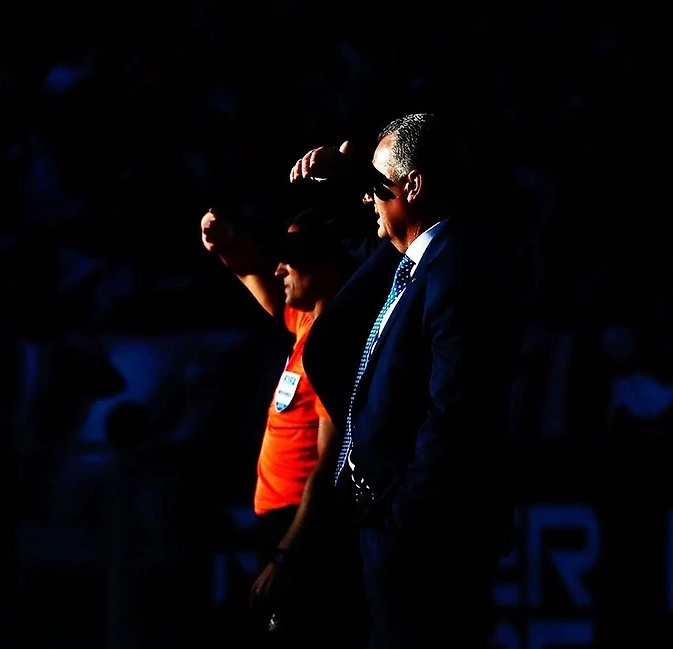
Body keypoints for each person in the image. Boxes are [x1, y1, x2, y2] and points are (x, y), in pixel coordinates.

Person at [289, 112, 527, 648]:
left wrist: (404, 523)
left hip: (425, 541)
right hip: (389, 527)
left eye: (377, 185)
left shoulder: (459, 269)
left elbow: (455, 419)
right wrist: (349, 178)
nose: (368, 198)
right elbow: (364, 247)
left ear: (413, 187)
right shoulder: (415, 261)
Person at [200, 203, 366, 648]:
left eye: (292, 260)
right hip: (280, 525)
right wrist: (227, 245)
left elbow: (329, 466)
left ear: (324, 264)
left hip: (302, 531)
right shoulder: (307, 325)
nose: (279, 269)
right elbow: (256, 277)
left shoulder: (334, 348)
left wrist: (285, 555)